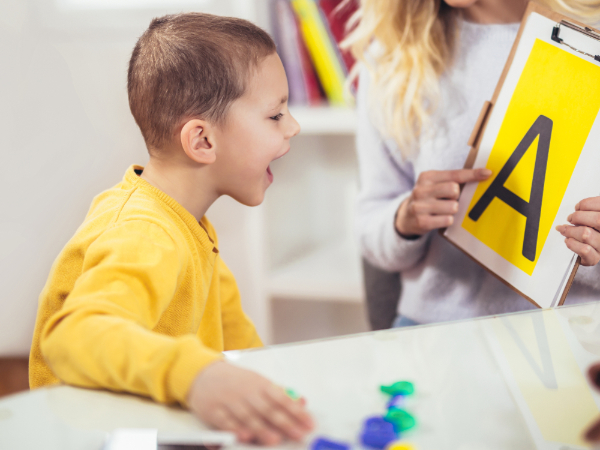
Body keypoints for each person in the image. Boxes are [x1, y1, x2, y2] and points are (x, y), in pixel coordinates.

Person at [28, 13, 313, 446]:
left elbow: (237, 342)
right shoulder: (145, 233)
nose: (293, 126)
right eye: (275, 115)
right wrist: (197, 375)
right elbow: (72, 337)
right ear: (202, 141)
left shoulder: (190, 224)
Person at [346, 0, 600, 327]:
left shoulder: (587, 41)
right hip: (436, 333)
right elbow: (370, 225)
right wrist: (404, 220)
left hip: (573, 334)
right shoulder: (393, 54)